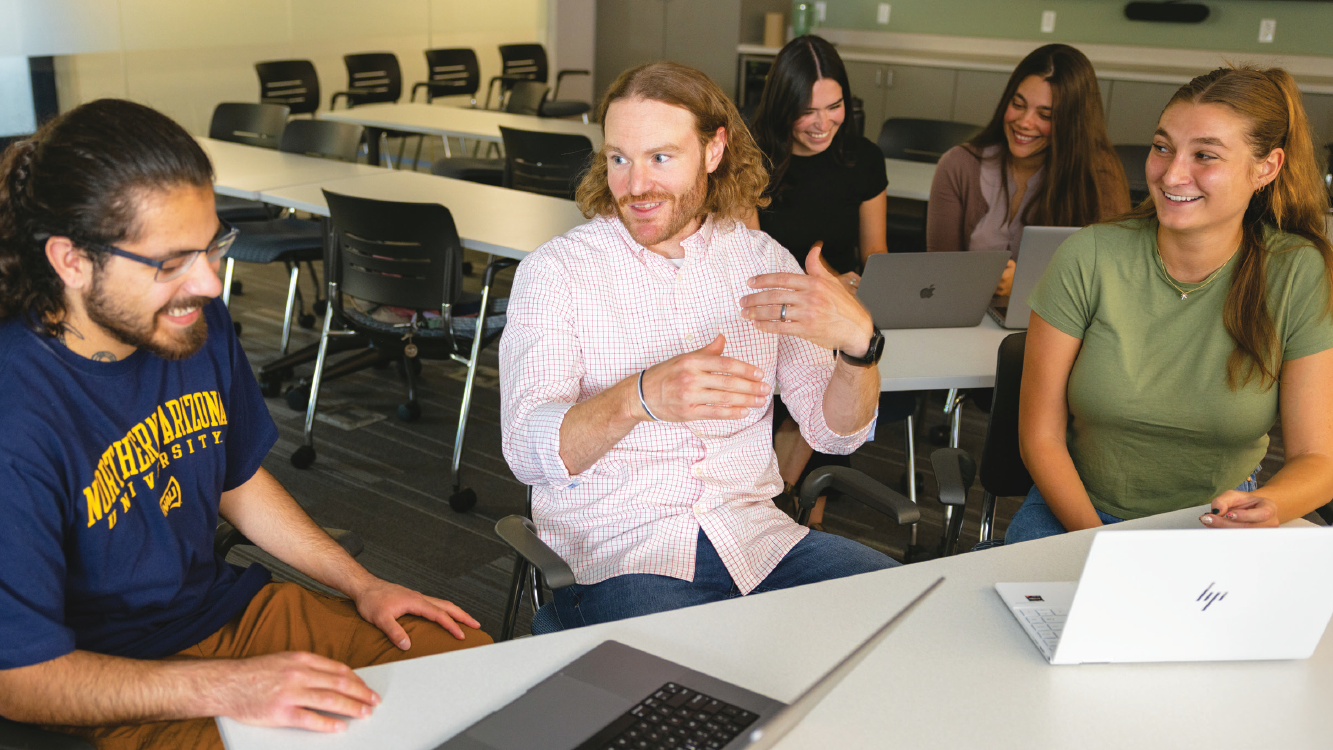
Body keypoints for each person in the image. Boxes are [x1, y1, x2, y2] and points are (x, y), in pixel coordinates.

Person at [0, 99, 491, 750]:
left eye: (212, 247)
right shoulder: (17, 411)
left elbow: (235, 476)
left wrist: (362, 584)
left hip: (230, 612)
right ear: (70, 261)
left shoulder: (190, 324)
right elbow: (22, 678)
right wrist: (231, 687)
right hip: (109, 678)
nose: (208, 282)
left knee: (473, 667)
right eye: (171, 262)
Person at [499, 61, 896, 630]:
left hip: (759, 542)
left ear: (713, 151)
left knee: (909, 616)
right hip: (622, 556)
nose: (635, 185)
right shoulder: (557, 273)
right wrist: (640, 396)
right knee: (696, 685)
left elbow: (836, 430)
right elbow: (525, 451)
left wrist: (859, 347)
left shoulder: (761, 262)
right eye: (619, 159)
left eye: (660, 157)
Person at [1011, 65, 1333, 543]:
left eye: (1205, 155)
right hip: (1076, 514)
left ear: (1266, 168)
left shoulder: (1297, 272)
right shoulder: (1090, 255)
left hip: (1213, 525)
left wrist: (1268, 506)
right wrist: (1100, 544)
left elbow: (1317, 459)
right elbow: (1040, 438)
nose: (1171, 173)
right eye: (1162, 147)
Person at [745, 35, 893, 527]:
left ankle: (784, 508)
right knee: (814, 378)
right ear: (782, 107)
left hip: (837, 312)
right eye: (807, 111)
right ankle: (788, 508)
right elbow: (745, 259)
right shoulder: (751, 160)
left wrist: (850, 288)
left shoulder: (864, 159)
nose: (823, 123)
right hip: (766, 310)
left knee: (836, 366)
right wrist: (822, 284)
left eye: (835, 108)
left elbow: (877, 258)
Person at [927, 43, 1130, 296]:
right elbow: (936, 273)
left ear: (1073, 123)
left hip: (1057, 330)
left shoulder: (1098, 177)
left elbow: (1110, 283)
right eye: (1018, 104)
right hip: (966, 322)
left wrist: (1027, 286)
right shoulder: (958, 165)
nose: (1024, 122)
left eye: (1045, 115)